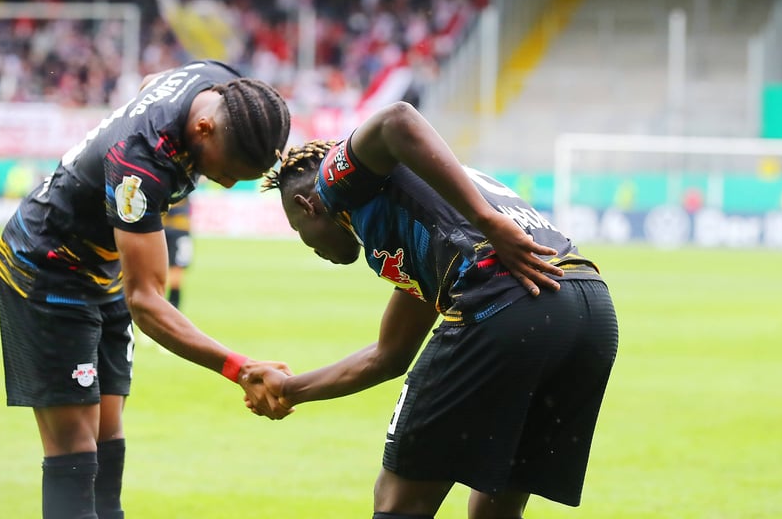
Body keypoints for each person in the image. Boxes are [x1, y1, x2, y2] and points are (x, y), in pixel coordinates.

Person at [250, 101, 619, 519]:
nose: (311, 247)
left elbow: (397, 119)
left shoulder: (333, 185)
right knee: (496, 506)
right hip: (589, 310)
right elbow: (388, 356)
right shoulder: (415, 222)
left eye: (298, 230)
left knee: (398, 500)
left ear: (307, 206)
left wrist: (487, 222)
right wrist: (288, 389)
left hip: (508, 299)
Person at [0, 59, 294, 519]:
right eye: (228, 170)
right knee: (75, 448)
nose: (227, 182)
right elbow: (147, 303)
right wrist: (240, 368)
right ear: (204, 127)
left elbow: (154, 83)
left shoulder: (222, 84)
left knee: (108, 437)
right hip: (47, 268)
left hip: (105, 266)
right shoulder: (139, 166)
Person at [161, 196, 193, 310]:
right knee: (177, 272)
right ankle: (173, 309)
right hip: (179, 230)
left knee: (173, 272)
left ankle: (167, 308)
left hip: (162, 228)